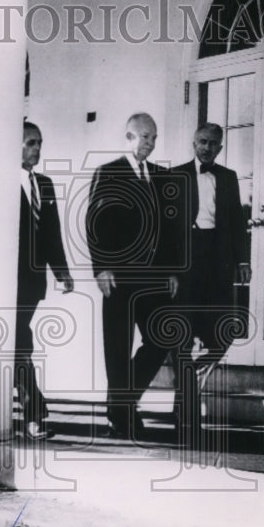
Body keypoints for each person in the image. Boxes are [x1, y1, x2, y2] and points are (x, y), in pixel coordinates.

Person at [86, 113, 181, 440]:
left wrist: (171, 270)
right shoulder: (108, 173)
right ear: (129, 136)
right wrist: (100, 267)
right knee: (118, 347)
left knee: (162, 337)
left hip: (154, 279)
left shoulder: (161, 176)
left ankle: (121, 405)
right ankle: (122, 416)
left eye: (154, 137)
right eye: (145, 137)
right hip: (119, 279)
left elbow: (169, 230)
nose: (150, 144)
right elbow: (95, 223)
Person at [171, 123, 252, 443]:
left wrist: (242, 261)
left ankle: (189, 384)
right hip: (186, 263)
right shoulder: (175, 176)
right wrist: (169, 270)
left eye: (213, 144)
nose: (207, 148)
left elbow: (237, 222)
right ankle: (186, 417)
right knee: (182, 340)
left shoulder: (229, 177)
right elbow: (167, 227)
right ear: (193, 142)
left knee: (223, 332)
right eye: (202, 142)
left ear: (220, 148)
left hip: (218, 264)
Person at [17, 123, 74, 440]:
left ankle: (32, 414)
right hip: (3, 282)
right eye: (30, 143)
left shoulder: (45, 184)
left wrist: (62, 271)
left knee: (15, 342)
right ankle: (34, 415)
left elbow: (52, 234)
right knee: (19, 342)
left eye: (39, 143)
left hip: (32, 282)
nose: (36, 149)